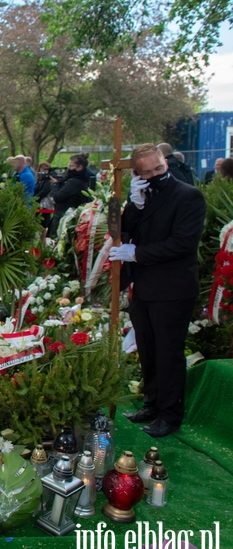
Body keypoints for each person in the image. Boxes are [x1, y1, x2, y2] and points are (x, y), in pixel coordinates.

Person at [109, 143, 206, 438]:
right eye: (146, 172)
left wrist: (137, 254)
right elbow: (122, 229)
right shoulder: (143, 195)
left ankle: (170, 413)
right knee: (148, 350)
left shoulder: (188, 196)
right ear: (138, 174)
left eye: (159, 169)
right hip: (146, 287)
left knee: (168, 353)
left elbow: (182, 243)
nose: (154, 175)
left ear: (166, 162)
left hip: (173, 287)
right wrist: (135, 206)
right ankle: (151, 402)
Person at [49, 153, 93, 234]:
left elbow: (58, 197)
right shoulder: (83, 179)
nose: (68, 169)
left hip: (65, 218)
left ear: (80, 167)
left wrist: (55, 184)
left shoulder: (73, 182)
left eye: (71, 166)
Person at [34, 162, 55, 235]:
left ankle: (43, 243)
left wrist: (34, 199)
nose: (44, 170)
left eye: (46, 168)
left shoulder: (48, 179)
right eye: (42, 168)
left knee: (42, 226)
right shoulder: (39, 180)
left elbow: (45, 191)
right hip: (38, 205)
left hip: (44, 206)